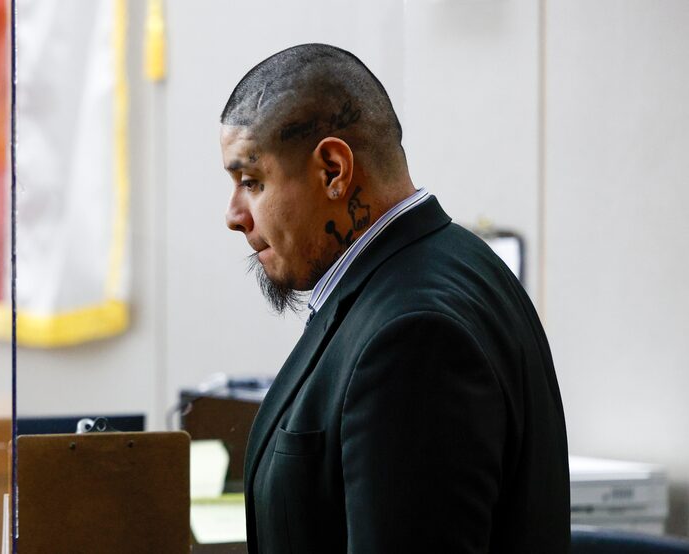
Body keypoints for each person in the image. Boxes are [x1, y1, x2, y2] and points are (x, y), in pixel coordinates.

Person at [220, 43, 570, 553]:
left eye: (251, 182)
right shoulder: (439, 266)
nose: (234, 214)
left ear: (334, 171)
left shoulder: (414, 339)